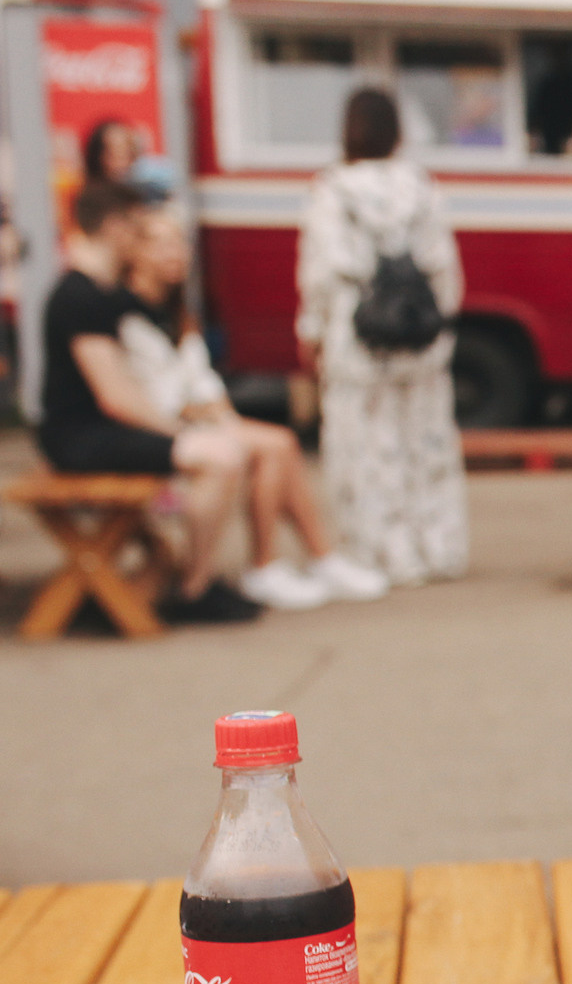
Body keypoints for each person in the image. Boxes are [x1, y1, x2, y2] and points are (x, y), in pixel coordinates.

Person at [122, 207, 388, 610]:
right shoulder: (123, 315)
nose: (174, 252)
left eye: (178, 242)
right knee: (277, 444)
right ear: (133, 252)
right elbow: (159, 395)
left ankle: (310, 559)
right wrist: (206, 411)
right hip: (160, 431)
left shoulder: (176, 311)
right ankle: (280, 563)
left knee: (278, 445)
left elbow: (201, 379)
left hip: (197, 421)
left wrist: (215, 411)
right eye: (159, 243)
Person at [36, 179, 259, 624]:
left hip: (96, 432)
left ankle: (175, 576)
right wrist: (179, 434)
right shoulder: (79, 296)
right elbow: (115, 397)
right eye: (136, 228)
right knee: (220, 456)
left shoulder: (101, 292)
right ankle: (194, 587)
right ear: (114, 227)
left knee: (219, 451)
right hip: (79, 439)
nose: (140, 239)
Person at [298, 86, 468, 586]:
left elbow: (321, 274)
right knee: (425, 443)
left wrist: (311, 330)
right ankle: (437, 547)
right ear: (397, 130)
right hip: (419, 337)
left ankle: (383, 553)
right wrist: (438, 322)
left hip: (357, 337)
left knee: (367, 447)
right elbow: (444, 266)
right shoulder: (421, 187)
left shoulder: (332, 190)